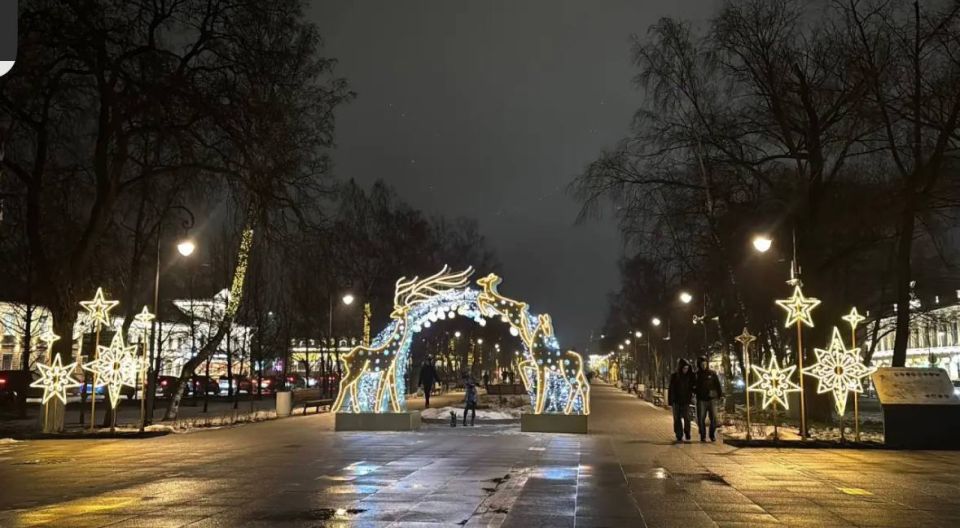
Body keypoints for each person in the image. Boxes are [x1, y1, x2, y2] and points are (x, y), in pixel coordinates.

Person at [694, 355, 723, 442]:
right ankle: (703, 435)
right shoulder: (696, 375)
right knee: (701, 418)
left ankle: (712, 434)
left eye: (705, 364)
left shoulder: (712, 373)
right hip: (701, 400)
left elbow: (717, 384)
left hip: (712, 399)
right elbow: (692, 386)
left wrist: (720, 395)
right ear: (699, 365)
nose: (704, 365)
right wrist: (696, 391)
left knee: (714, 418)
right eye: (702, 364)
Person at [668, 358, 694, 442]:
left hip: (686, 401)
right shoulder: (674, 376)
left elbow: (692, 387)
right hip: (676, 401)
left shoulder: (689, 377)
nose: (685, 370)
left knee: (687, 418)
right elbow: (671, 389)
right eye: (684, 368)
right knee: (677, 418)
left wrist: (691, 396)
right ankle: (679, 434)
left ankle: (687, 432)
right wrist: (670, 401)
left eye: (687, 368)